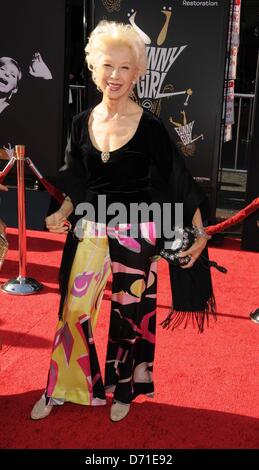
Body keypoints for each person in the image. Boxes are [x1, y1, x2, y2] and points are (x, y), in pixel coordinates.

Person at [30, 20, 214, 422]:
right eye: (108, 66)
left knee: (130, 312)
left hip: (137, 227)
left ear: (138, 73)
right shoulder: (81, 122)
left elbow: (178, 178)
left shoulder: (150, 126)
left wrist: (199, 231)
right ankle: (64, 385)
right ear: (94, 68)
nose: (115, 76)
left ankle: (124, 388)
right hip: (90, 226)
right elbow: (74, 176)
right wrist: (61, 212)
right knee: (73, 309)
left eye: (125, 68)